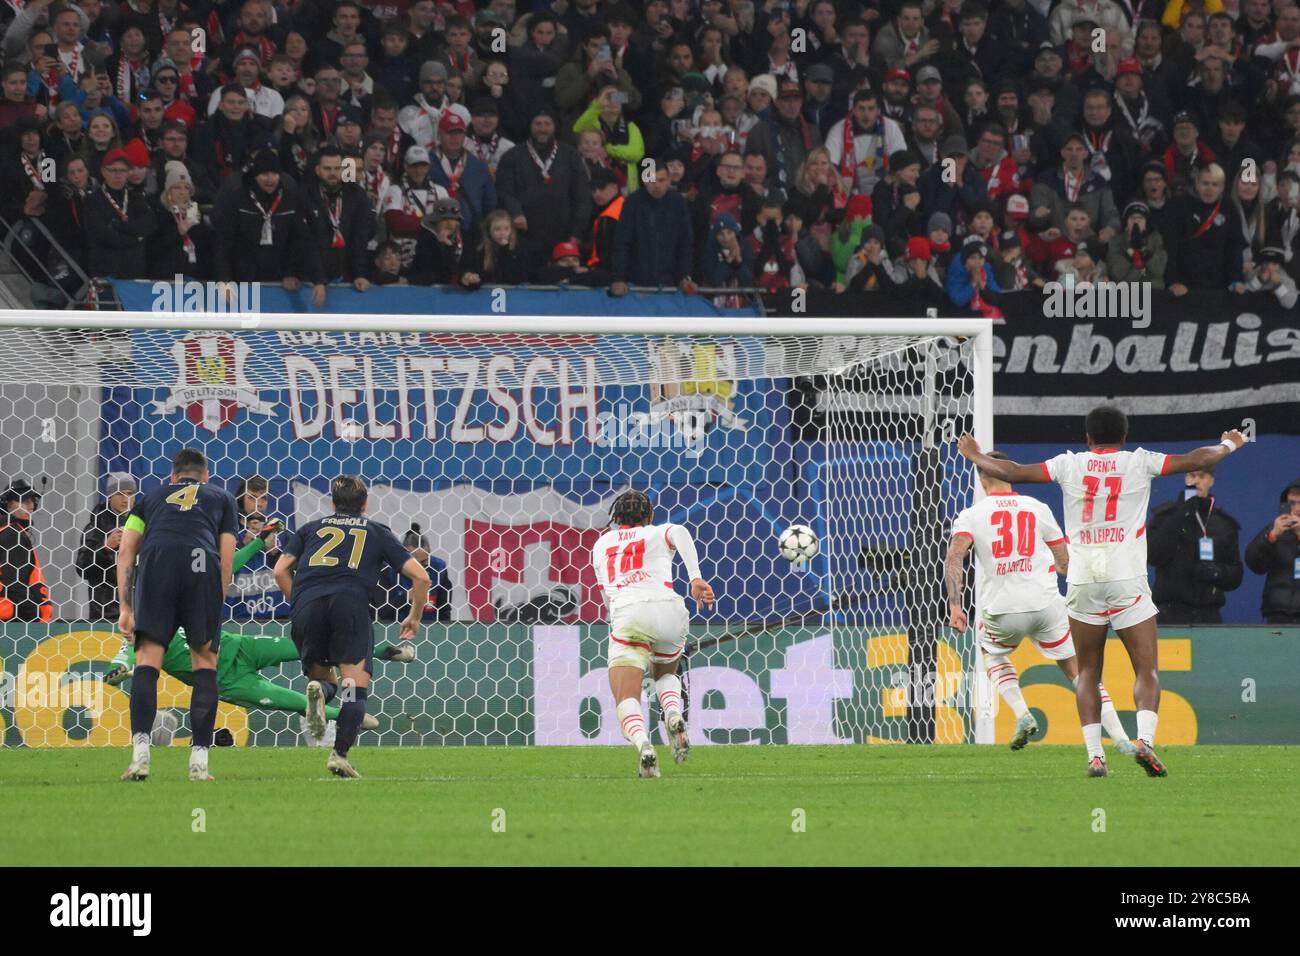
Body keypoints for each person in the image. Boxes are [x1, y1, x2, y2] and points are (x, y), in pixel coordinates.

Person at [958, 407, 1249, 778]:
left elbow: (1012, 472)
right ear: (1124, 438)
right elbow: (1197, 459)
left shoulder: (1069, 465)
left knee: (1089, 673)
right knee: (1146, 670)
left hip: (1084, 580)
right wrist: (1230, 443)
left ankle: (1096, 757)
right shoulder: (1140, 462)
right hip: (1126, 577)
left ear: (1088, 439)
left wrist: (974, 454)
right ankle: (1144, 740)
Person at [105, 527, 414, 745]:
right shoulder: (139, 628)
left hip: (238, 647)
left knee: (309, 645)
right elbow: (121, 664)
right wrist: (118, 673)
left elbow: (224, 571)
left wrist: (258, 545)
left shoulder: (180, 596)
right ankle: (347, 716)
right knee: (289, 697)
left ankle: (383, 652)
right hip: (225, 680)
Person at [946, 450, 1134, 753]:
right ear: (1009, 474)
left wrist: (955, 605)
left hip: (1002, 609)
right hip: (1047, 605)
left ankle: (1022, 714)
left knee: (990, 653)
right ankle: (1122, 738)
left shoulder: (971, 515)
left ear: (982, 482)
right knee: (1080, 671)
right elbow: (1064, 562)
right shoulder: (1037, 507)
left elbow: (955, 556)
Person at [273, 476, 431, 779]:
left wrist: (302, 602)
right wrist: (414, 616)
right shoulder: (376, 531)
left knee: (322, 677)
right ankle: (339, 755)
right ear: (365, 505)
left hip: (307, 605)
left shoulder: (309, 529)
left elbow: (280, 570)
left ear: (332, 504)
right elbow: (421, 577)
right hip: (350, 606)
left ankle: (321, 689)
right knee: (354, 685)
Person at [116, 448, 238, 782]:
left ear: (173, 476)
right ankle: (199, 763)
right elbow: (226, 557)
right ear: (206, 475)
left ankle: (140, 756)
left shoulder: (150, 498)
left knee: (147, 661)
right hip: (201, 567)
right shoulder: (223, 498)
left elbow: (126, 550)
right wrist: (217, 598)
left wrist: (126, 607)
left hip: (157, 565)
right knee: (204, 662)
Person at [591, 490, 714, 778]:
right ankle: (672, 714)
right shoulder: (658, 532)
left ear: (616, 517)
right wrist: (695, 578)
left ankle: (645, 745)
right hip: (669, 609)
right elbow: (681, 532)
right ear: (650, 516)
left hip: (629, 612)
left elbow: (606, 597)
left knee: (626, 696)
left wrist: (621, 624)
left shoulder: (601, 545)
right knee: (665, 673)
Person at [1147, 463, 1243, 625]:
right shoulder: (1165, 517)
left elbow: (1235, 575)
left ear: (1211, 480)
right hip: (1171, 611)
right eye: (1192, 475)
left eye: (1202, 476)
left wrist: (1217, 572)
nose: (1196, 481)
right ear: (1186, 478)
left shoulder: (1224, 524)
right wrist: (1181, 514)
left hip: (1209, 613)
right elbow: (1153, 556)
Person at [609, 159, 694, 296]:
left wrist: (685, 276)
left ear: (669, 180)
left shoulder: (678, 203)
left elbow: (685, 243)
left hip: (669, 283)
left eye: (661, 180)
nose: (657, 185)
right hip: (635, 283)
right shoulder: (632, 202)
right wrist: (619, 278)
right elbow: (622, 242)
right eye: (652, 180)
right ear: (644, 180)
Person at [75, 473, 137, 621]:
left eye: (130, 493)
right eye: (119, 494)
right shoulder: (95, 528)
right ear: (109, 496)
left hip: (140, 612)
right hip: (106, 615)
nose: (125, 499)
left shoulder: (142, 525)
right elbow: (82, 568)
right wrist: (105, 547)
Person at [1244, 476, 1300, 625]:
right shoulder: (1275, 529)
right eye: (1292, 503)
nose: (1297, 509)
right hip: (1278, 615)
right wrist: (1272, 536)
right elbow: (1255, 564)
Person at [0, 479, 53, 624]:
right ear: (8, 505)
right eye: (24, 501)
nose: (30, 506)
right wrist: (34, 616)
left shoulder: (9, 530)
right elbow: (14, 584)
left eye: (32, 501)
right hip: (13, 620)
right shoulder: (12, 534)